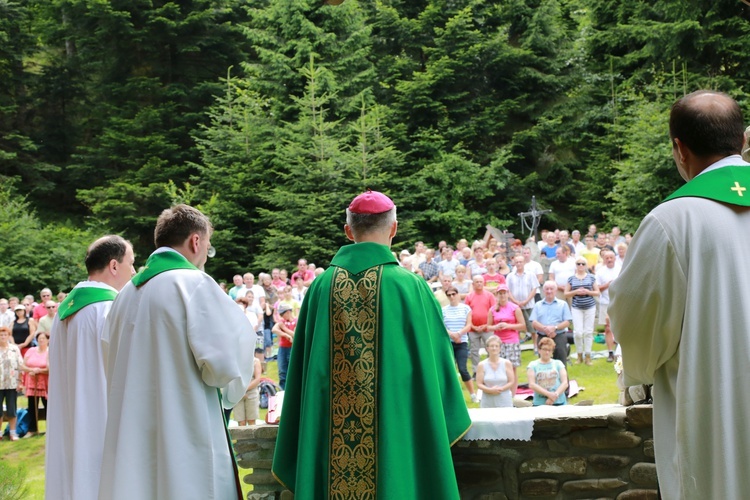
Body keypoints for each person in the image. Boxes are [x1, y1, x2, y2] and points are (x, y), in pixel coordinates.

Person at [272, 190, 470, 499]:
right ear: (393, 228)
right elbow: (439, 370)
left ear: (348, 231)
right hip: (397, 440)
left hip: (329, 453)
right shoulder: (411, 286)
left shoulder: (320, 288)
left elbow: (300, 377)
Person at [609, 90, 750, 499]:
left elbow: (636, 324)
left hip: (717, 412)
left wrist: (636, 372)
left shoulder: (673, 221)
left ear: (679, 149)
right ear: (741, 140)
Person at [98, 204, 255, 500]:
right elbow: (223, 367)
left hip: (134, 432)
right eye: (208, 245)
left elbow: (112, 366)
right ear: (196, 241)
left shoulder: (123, 297)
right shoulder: (194, 284)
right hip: (186, 424)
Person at [46, 234, 135, 500]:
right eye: (131, 263)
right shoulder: (110, 309)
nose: (134, 271)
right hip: (104, 420)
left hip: (70, 419)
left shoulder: (65, 311)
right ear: (114, 265)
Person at [486, 284, 525, 395]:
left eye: (504, 293)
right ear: (497, 295)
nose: (502, 295)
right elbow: (488, 326)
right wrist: (496, 327)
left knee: (512, 368)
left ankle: (512, 394)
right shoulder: (493, 309)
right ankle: (499, 390)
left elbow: (522, 325)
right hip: (498, 342)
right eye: (500, 293)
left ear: (508, 294)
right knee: (498, 367)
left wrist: (508, 326)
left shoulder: (514, 308)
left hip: (511, 340)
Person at [441, 286, 476, 402]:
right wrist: (452, 335)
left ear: (457, 294)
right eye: (449, 295)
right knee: (450, 369)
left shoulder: (466, 308)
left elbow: (469, 324)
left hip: (462, 342)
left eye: (453, 294)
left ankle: (472, 394)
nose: (451, 297)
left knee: (462, 368)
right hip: (449, 342)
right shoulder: (444, 310)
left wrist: (459, 334)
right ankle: (450, 396)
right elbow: (442, 326)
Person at [564, 257, 600, 365]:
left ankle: (588, 356)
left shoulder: (591, 277)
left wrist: (587, 292)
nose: (580, 266)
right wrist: (575, 292)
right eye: (578, 264)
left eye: (583, 264)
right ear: (576, 265)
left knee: (588, 332)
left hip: (590, 307)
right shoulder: (571, 278)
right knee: (578, 333)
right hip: (576, 307)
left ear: (586, 265)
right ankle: (579, 355)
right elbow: (566, 293)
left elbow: (597, 292)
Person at [530, 281, 572, 364]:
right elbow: (533, 322)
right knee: (543, 361)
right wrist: (545, 329)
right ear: (543, 291)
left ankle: (563, 377)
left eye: (551, 289)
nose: (549, 291)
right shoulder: (538, 305)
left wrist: (555, 328)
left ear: (555, 291)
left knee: (561, 362)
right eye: (547, 289)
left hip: (558, 335)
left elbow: (568, 321)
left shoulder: (563, 304)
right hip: (542, 336)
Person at [465, 274, 496, 375]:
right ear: (473, 284)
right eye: (477, 282)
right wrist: (472, 326)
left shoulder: (489, 296)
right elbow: (466, 313)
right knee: (474, 351)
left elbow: (494, 312)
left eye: (480, 282)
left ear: (484, 283)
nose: (479, 284)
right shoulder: (469, 297)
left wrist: (487, 325)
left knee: (491, 349)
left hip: (487, 328)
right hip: (473, 329)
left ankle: (490, 369)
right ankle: (476, 371)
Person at [20, 331, 49, 438]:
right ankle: (32, 429)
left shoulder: (49, 352)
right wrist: (32, 370)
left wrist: (38, 371)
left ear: (48, 340)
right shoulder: (31, 350)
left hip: (45, 383)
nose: (41, 340)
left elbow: (50, 369)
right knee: (32, 406)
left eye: (43, 338)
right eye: (39, 338)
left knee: (47, 405)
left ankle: (49, 429)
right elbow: (23, 366)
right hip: (32, 382)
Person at [595, 250, 621, 362]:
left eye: (611, 257)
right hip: (605, 302)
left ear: (615, 258)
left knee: (621, 326)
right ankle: (610, 352)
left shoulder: (621, 268)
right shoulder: (600, 272)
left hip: (620, 302)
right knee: (608, 328)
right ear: (604, 259)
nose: (609, 260)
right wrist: (608, 284)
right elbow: (597, 288)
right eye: (607, 258)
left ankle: (620, 350)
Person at [475, 336, 514, 408]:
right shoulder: (482, 365)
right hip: (487, 399)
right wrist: (490, 390)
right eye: (492, 346)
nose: (494, 348)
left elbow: (511, 381)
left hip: (504, 398)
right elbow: (479, 383)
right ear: (487, 348)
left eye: (496, 346)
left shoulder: (507, 363)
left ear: (500, 348)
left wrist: (500, 389)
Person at [527, 337, 568, 406]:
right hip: (540, 403)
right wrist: (549, 394)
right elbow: (532, 384)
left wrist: (555, 396)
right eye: (544, 349)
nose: (547, 352)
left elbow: (565, 383)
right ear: (539, 350)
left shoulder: (558, 363)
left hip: (559, 402)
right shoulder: (532, 365)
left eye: (549, 350)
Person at [0, 326, 24, 441]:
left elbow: (20, 366)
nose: (3, 337)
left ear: (9, 336)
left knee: (12, 409)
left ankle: (13, 433)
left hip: (12, 383)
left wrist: (20, 381)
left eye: (5, 335)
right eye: (1, 335)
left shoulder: (14, 349)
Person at [233, 349, 263, 426]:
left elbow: (257, 379)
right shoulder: (235, 361)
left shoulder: (255, 361)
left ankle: (252, 438)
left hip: (251, 392)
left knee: (251, 421)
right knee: (241, 422)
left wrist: (244, 389)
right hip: (238, 392)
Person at [272, 303, 296, 390]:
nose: (281, 316)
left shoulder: (296, 321)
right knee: (282, 370)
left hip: (292, 348)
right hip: (283, 348)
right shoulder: (282, 321)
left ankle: (292, 389)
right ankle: (283, 390)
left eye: (283, 314)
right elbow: (274, 329)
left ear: (289, 312)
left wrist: (285, 329)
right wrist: (286, 335)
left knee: (292, 370)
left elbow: (296, 334)